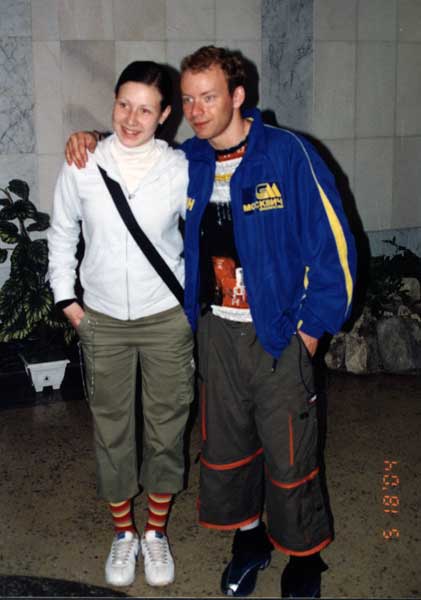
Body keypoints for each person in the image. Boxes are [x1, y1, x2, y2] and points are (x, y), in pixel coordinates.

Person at [64, 46, 357, 598]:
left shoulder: (288, 154)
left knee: (289, 448)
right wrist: (89, 138)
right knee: (226, 447)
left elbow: (335, 248)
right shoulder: (189, 162)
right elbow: (132, 154)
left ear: (238, 96)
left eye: (209, 97)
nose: (196, 111)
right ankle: (249, 541)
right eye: (188, 100)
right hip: (214, 331)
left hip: (280, 333)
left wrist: (312, 331)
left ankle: (304, 558)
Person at [48, 61, 194, 589]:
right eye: (124, 105)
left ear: (165, 115)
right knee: (111, 430)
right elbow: (62, 232)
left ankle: (155, 532)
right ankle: (123, 533)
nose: (132, 119)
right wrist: (68, 302)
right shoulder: (84, 161)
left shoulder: (179, 168)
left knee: (166, 428)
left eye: (146, 110)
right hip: (103, 320)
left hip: (165, 319)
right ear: (112, 103)